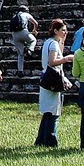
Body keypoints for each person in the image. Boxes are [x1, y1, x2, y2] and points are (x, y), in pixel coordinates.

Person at [34, 19, 73, 147]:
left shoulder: (49, 42)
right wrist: (66, 59)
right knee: (53, 111)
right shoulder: (53, 44)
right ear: (55, 31)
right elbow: (52, 62)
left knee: (48, 111)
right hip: (52, 78)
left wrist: (63, 41)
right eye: (63, 30)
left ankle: (41, 140)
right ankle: (51, 140)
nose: (65, 32)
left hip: (46, 77)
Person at [10, 5, 38, 74]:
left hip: (15, 34)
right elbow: (36, 23)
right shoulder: (26, 14)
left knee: (20, 54)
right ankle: (30, 49)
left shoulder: (15, 16)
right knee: (33, 40)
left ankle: (20, 71)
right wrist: (34, 30)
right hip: (24, 32)